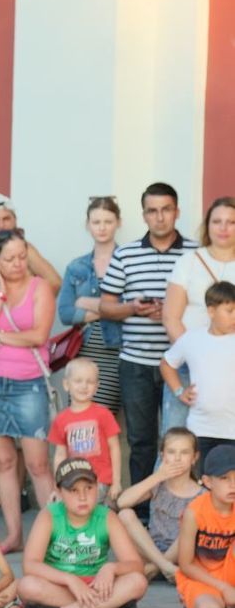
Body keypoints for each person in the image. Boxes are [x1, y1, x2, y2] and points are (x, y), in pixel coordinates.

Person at [100, 182, 200, 489]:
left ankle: (178, 505)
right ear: (143, 215)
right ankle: (142, 512)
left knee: (182, 440)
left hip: (185, 363)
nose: (160, 217)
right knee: (141, 440)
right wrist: (133, 308)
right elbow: (106, 306)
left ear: (177, 212)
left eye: (166, 210)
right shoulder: (126, 254)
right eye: (152, 211)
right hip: (137, 363)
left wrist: (173, 313)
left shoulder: (197, 252)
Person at [0, 230, 57, 552]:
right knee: (3, 462)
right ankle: (14, 535)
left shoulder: (40, 288)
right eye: (9, 259)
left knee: (37, 464)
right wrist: (0, 299)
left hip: (29, 382)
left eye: (22, 257)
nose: (18, 264)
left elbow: (38, 336)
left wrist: (0, 336)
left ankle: (54, 538)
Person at [18, 458, 147, 608]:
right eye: (73, 490)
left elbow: (136, 565)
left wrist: (111, 568)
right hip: (61, 586)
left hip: (98, 587)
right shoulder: (49, 515)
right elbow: (30, 565)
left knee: (138, 582)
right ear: (59, 491)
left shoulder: (107, 517)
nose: (83, 497)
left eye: (89, 488)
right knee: (27, 587)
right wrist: (70, 580)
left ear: (98, 486)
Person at [162, 197, 235, 432]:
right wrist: (194, 354)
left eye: (231, 222)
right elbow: (171, 316)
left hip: (229, 367)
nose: (223, 228)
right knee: (174, 438)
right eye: (217, 221)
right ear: (207, 225)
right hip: (186, 365)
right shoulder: (188, 262)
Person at [57, 196, 124, 413]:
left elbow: (131, 309)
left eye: (108, 221)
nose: (102, 228)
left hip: (117, 353)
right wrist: (109, 309)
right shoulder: (77, 266)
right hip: (84, 354)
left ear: (118, 223)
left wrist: (86, 302)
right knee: (80, 420)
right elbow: (66, 313)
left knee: (103, 420)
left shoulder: (128, 261)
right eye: (96, 222)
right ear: (88, 225)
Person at [116, 427, 202, 582]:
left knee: (195, 524)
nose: (177, 458)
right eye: (171, 452)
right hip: (151, 551)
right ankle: (165, 568)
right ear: (162, 456)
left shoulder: (202, 494)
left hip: (183, 555)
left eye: (184, 452)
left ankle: (155, 570)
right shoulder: (158, 485)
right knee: (124, 515)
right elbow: (122, 502)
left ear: (194, 457)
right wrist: (158, 476)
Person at [162, 281, 235, 461]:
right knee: (203, 484)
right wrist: (179, 391)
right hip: (201, 429)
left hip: (233, 430)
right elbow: (167, 364)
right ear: (211, 311)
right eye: (230, 311)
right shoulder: (193, 339)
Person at [174, 445, 235, 608]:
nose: (233, 484)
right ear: (208, 482)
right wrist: (223, 588)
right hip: (202, 578)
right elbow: (185, 564)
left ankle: (226, 602)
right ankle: (205, 605)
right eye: (224, 478)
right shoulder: (195, 512)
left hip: (229, 573)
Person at [48, 358, 122, 502]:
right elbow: (60, 455)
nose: (84, 386)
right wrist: (57, 486)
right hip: (73, 480)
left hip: (101, 481)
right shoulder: (61, 419)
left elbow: (115, 448)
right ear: (66, 384)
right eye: (78, 381)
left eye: (90, 382)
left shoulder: (103, 413)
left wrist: (116, 481)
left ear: (97, 387)